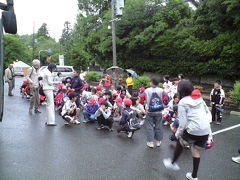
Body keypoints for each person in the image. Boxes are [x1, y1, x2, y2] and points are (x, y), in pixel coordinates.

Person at [163, 80, 211, 180]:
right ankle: (194, 176)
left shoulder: (183, 102)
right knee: (195, 149)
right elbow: (207, 112)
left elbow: (183, 123)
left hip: (193, 129)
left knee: (180, 141)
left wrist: (177, 134)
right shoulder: (199, 98)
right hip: (205, 129)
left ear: (180, 91)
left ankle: (173, 163)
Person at [145, 77, 169, 148]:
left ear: (152, 82)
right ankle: (158, 142)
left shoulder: (147, 90)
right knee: (159, 126)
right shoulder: (161, 90)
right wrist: (164, 104)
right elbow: (167, 98)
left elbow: (141, 98)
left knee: (150, 127)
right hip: (159, 111)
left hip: (150, 111)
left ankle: (150, 142)